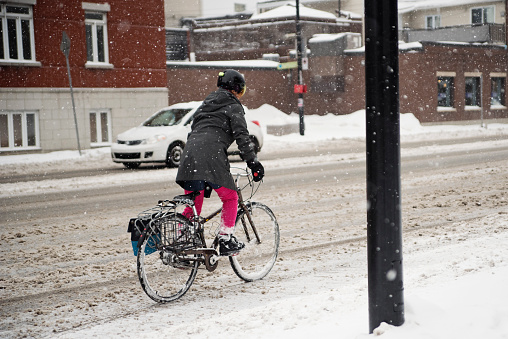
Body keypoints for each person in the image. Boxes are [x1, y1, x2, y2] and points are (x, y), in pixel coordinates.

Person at [175, 69, 264, 256]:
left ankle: (181, 241)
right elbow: (242, 135)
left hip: (189, 155)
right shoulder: (233, 105)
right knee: (231, 197)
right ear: (237, 89)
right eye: (241, 90)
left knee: (193, 202)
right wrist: (252, 162)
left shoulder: (205, 104)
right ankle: (225, 238)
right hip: (212, 156)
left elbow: (195, 129)